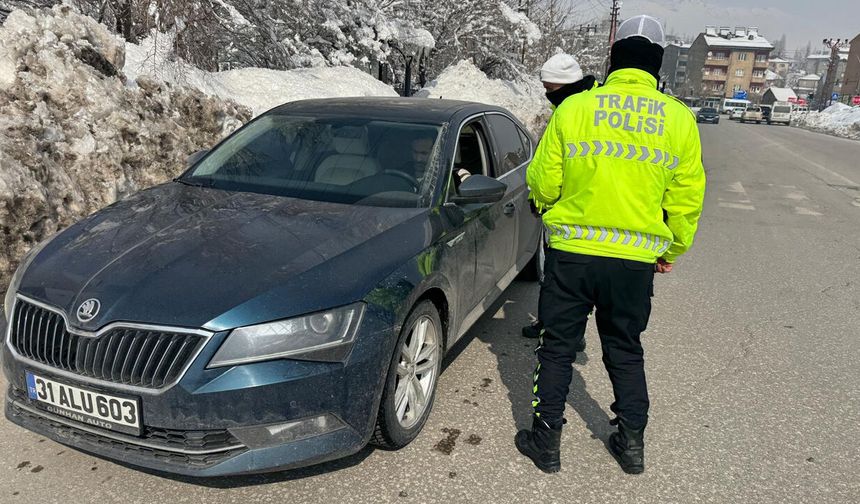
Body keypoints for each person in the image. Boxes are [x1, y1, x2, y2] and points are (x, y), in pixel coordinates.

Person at [514, 15, 706, 475]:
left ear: (613, 58)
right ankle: (631, 445)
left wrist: (547, 206)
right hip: (633, 264)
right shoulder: (678, 119)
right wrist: (671, 249)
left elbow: (542, 179)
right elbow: (687, 195)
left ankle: (546, 442)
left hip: (572, 256)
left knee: (557, 347)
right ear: (657, 64)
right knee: (625, 348)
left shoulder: (575, 109)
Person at [522, 54, 598, 344]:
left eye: (550, 90)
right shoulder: (575, 105)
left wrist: (542, 198)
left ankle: (570, 332)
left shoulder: (580, 110)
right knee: (555, 277)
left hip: (576, 209)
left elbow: (553, 170)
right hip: (568, 207)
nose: (547, 95)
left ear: (566, 86)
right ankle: (550, 323)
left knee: (569, 281)